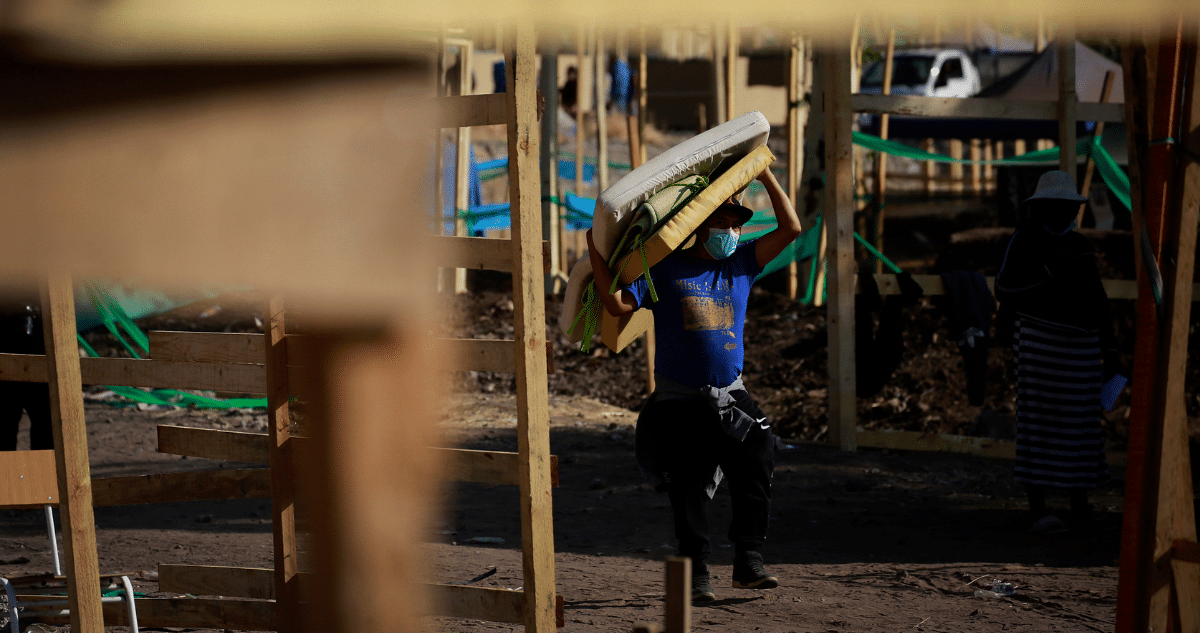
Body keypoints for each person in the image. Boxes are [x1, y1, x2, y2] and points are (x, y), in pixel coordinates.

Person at [587, 166, 802, 601]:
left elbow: (792, 227)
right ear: (700, 227)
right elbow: (614, 304)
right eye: (722, 223)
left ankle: (748, 561)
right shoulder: (665, 268)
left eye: (736, 225)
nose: (731, 231)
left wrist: (765, 176)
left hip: (731, 395)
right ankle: (697, 576)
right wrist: (596, 248)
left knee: (759, 453)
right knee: (687, 484)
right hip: (679, 399)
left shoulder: (743, 263)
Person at [994, 170, 1117, 533]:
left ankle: (1079, 503)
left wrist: (1110, 349)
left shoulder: (1080, 246)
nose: (1061, 214)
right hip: (1036, 344)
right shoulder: (1024, 241)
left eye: (1067, 208)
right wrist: (1049, 272)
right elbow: (1004, 289)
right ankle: (1039, 507)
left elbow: (1098, 300)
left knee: (1080, 425)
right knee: (1037, 423)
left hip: (1080, 349)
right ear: (1042, 208)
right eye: (1054, 207)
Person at [0, 283, 53, 452]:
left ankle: (44, 477)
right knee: (4, 426)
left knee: (45, 427)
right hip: (8, 347)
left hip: (40, 349)